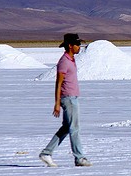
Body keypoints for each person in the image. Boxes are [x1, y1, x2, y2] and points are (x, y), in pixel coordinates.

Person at [39, 33, 92, 167]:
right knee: (74, 128)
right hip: (68, 98)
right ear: (70, 45)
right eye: (77, 44)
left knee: (66, 128)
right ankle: (79, 158)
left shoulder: (71, 60)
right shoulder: (64, 61)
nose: (79, 47)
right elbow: (58, 83)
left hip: (72, 97)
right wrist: (57, 103)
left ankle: (47, 153)